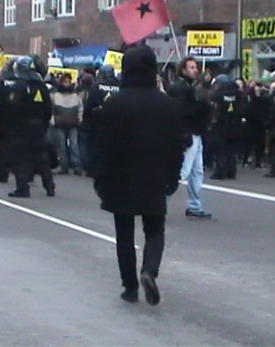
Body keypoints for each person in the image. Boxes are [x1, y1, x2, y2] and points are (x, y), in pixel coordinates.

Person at [92, 45, 184, 306]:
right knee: (155, 229)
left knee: (124, 234)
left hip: (120, 176)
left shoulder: (114, 104)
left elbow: (102, 145)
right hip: (154, 174)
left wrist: (100, 177)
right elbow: (176, 145)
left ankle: (130, 286)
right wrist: (173, 175)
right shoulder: (167, 105)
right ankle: (149, 270)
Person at [167, 56, 212, 219]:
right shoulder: (180, 88)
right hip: (188, 133)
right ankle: (159, 201)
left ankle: (194, 205)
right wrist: (200, 106)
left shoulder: (189, 87)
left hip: (196, 132)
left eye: (196, 67)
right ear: (183, 70)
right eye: (191, 67)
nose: (195, 70)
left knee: (196, 171)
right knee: (182, 171)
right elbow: (181, 112)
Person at [4, 56, 55, 198]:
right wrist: (43, 124)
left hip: (22, 128)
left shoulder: (19, 86)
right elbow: (48, 108)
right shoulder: (41, 85)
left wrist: (12, 125)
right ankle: (49, 186)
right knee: (42, 158)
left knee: (22, 159)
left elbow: (13, 108)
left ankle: (22, 188)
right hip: (38, 127)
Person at [84, 65, 120, 176]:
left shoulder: (96, 86)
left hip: (97, 121)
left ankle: (93, 170)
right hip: (116, 122)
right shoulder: (120, 86)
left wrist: (86, 118)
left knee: (95, 147)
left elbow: (89, 105)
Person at [50, 73, 84, 175]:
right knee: (62, 145)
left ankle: (76, 166)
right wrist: (52, 121)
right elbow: (51, 110)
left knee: (74, 145)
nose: (67, 84)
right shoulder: (54, 96)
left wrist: (80, 119)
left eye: (68, 82)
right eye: (65, 81)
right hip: (61, 123)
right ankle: (64, 166)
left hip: (72, 123)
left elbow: (80, 108)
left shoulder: (75, 95)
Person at [210, 74, 242, 180]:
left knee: (220, 150)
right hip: (234, 125)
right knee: (231, 150)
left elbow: (215, 110)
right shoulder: (237, 94)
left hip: (221, 125)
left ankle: (220, 172)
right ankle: (231, 172)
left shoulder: (218, 95)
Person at [241, 81, 269, 169]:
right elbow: (245, 107)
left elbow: (266, 108)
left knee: (259, 144)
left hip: (260, 123)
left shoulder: (264, 97)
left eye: (260, 86)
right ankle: (245, 160)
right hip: (250, 122)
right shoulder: (249, 96)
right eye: (257, 86)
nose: (259, 88)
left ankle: (258, 162)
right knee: (248, 143)